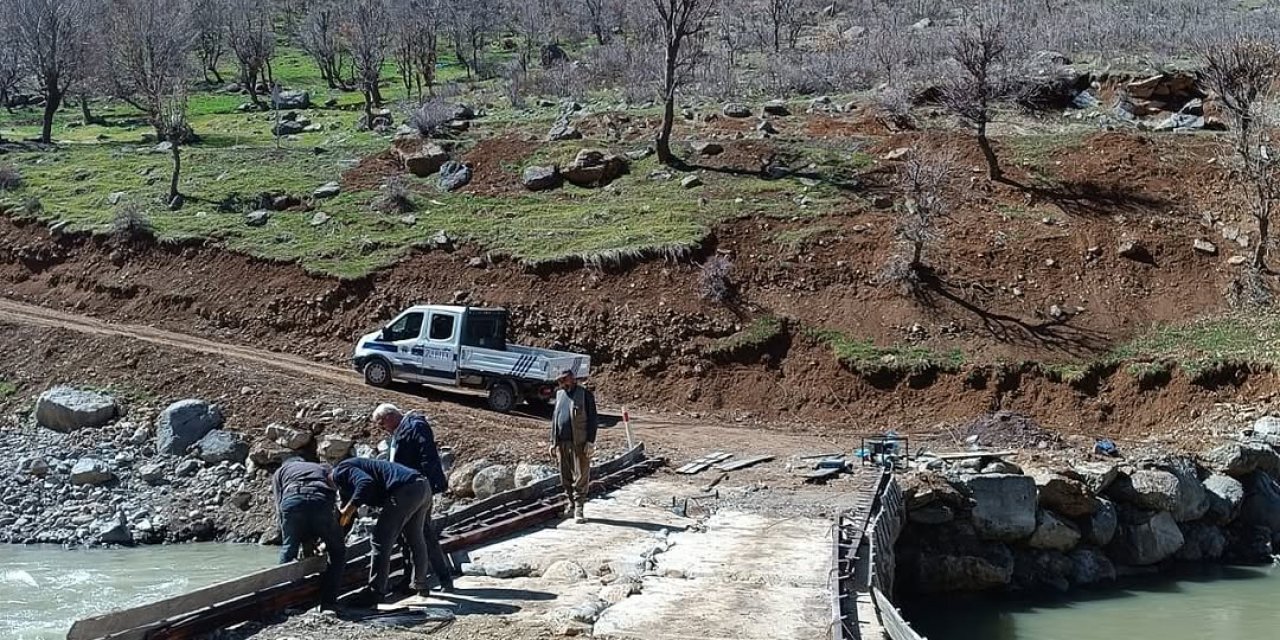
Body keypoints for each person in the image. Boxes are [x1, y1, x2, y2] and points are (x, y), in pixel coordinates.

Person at [372, 403, 454, 593]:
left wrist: (429, 483)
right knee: (408, 535)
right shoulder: (401, 431)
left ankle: (442, 578)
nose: (382, 429)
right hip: (407, 489)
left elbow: (428, 455)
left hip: (416, 489)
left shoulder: (415, 426)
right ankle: (411, 579)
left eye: (382, 424)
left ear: (391, 416)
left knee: (423, 533)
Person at [330, 457, 432, 604]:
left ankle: (375, 592)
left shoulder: (340, 471)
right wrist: (337, 539)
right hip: (421, 486)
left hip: (405, 490)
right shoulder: (346, 486)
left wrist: (346, 511)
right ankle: (419, 583)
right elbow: (347, 518)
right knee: (414, 537)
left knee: (380, 540)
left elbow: (365, 484)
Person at [272, 459, 346, 610]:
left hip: (292, 500)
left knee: (289, 549)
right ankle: (329, 602)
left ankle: (280, 599)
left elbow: (279, 504)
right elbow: (334, 491)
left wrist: (287, 532)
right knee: (337, 551)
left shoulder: (280, 472)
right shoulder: (321, 468)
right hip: (321, 499)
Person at [549, 368, 599, 523]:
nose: (561, 383)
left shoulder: (585, 395)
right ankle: (570, 504)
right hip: (562, 443)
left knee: (581, 476)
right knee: (565, 477)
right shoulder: (560, 395)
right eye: (559, 381)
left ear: (572, 379)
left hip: (579, 443)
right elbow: (555, 420)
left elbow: (593, 420)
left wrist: (590, 441)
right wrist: (553, 442)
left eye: (563, 380)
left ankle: (579, 508)